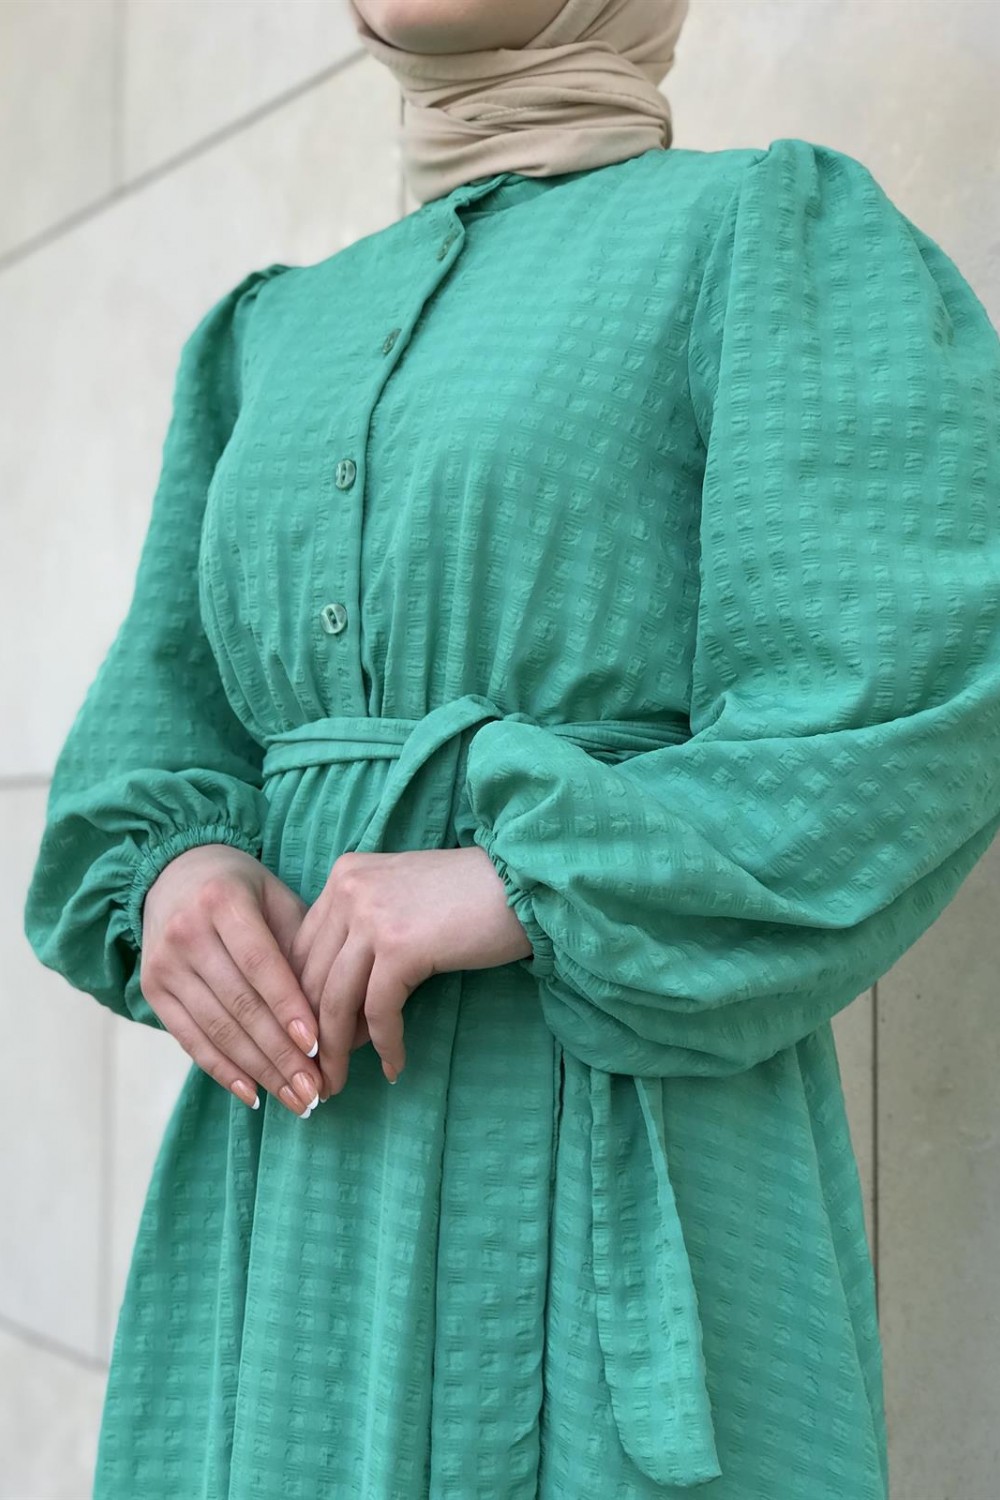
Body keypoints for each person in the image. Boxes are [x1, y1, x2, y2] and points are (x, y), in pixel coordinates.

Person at [22, 0, 1000, 1495]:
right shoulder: (258, 339)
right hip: (290, 1175)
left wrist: (520, 875)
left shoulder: (766, 234)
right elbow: (153, 737)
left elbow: (907, 706)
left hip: (609, 1116)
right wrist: (179, 874)